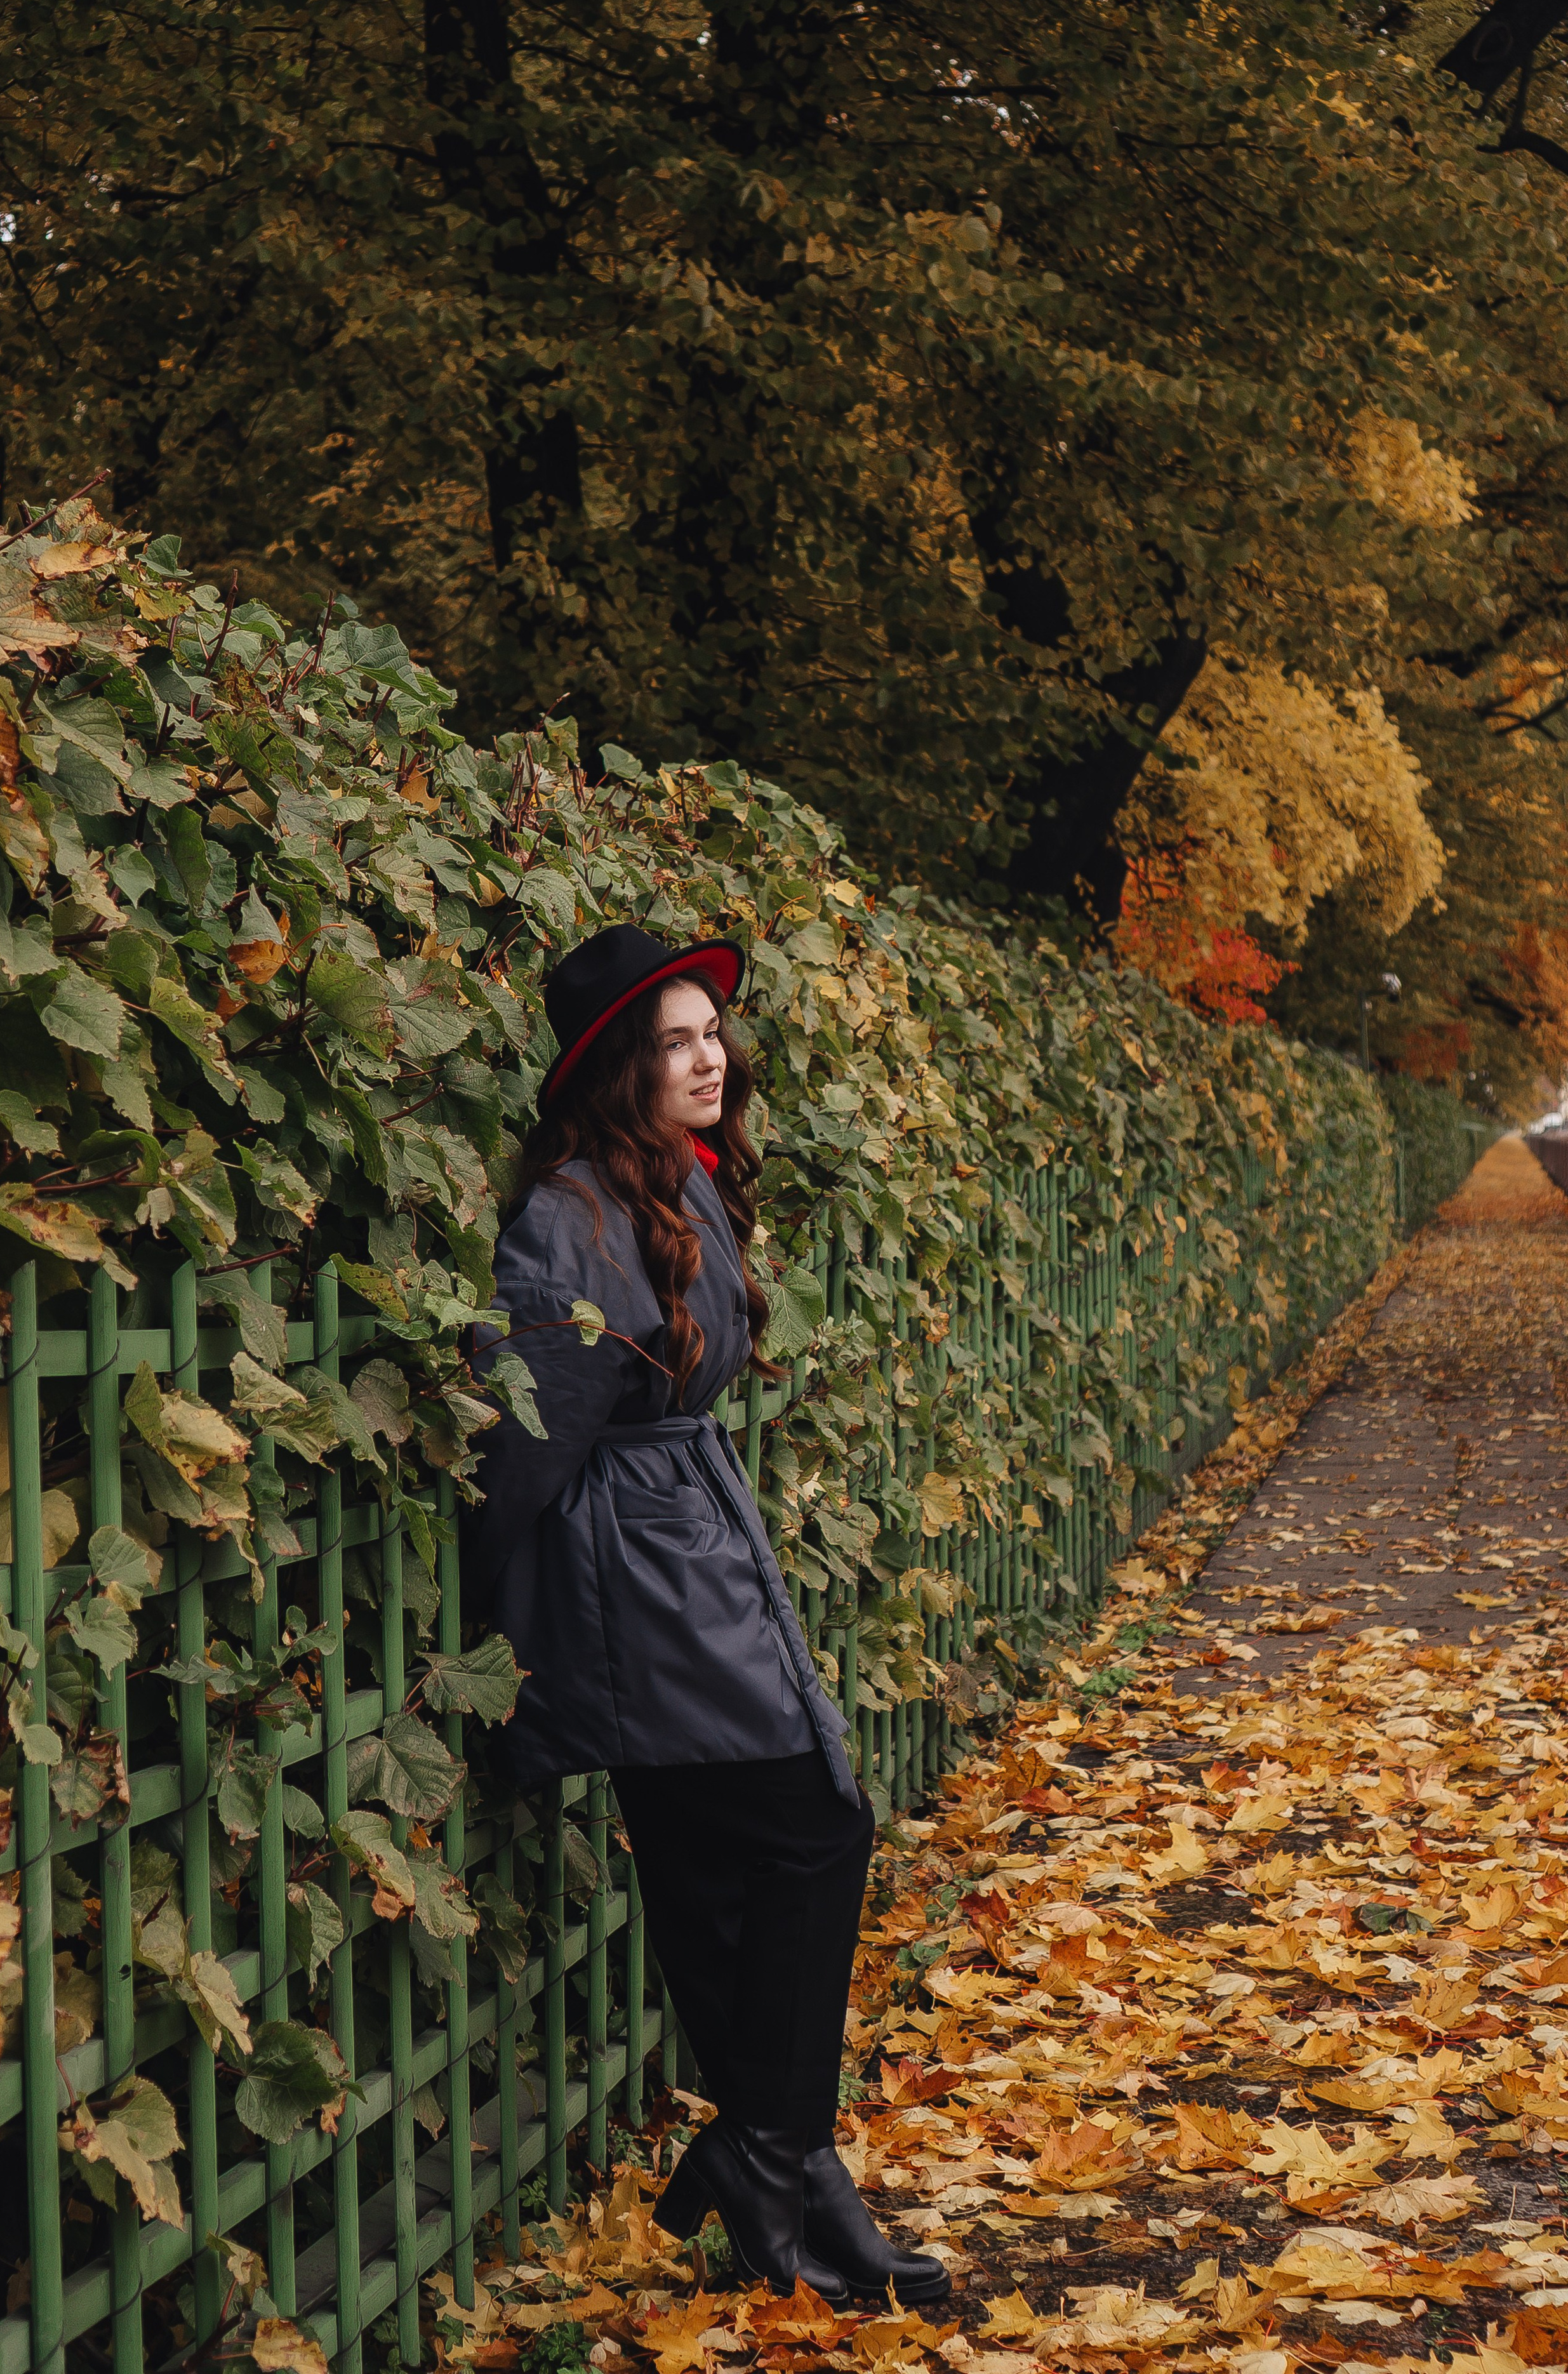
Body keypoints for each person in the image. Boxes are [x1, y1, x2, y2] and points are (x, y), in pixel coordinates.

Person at [468, 924, 948, 2306]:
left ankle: (788, 2187)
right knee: (819, 1824)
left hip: (675, 1547)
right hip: (637, 1580)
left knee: (710, 1896)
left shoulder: (669, 1186)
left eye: (711, 1033)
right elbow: (527, 1443)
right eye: (674, 1038)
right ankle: (772, 2155)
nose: (708, 1056)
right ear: (617, 1063)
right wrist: (503, 1635)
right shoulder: (574, 1208)